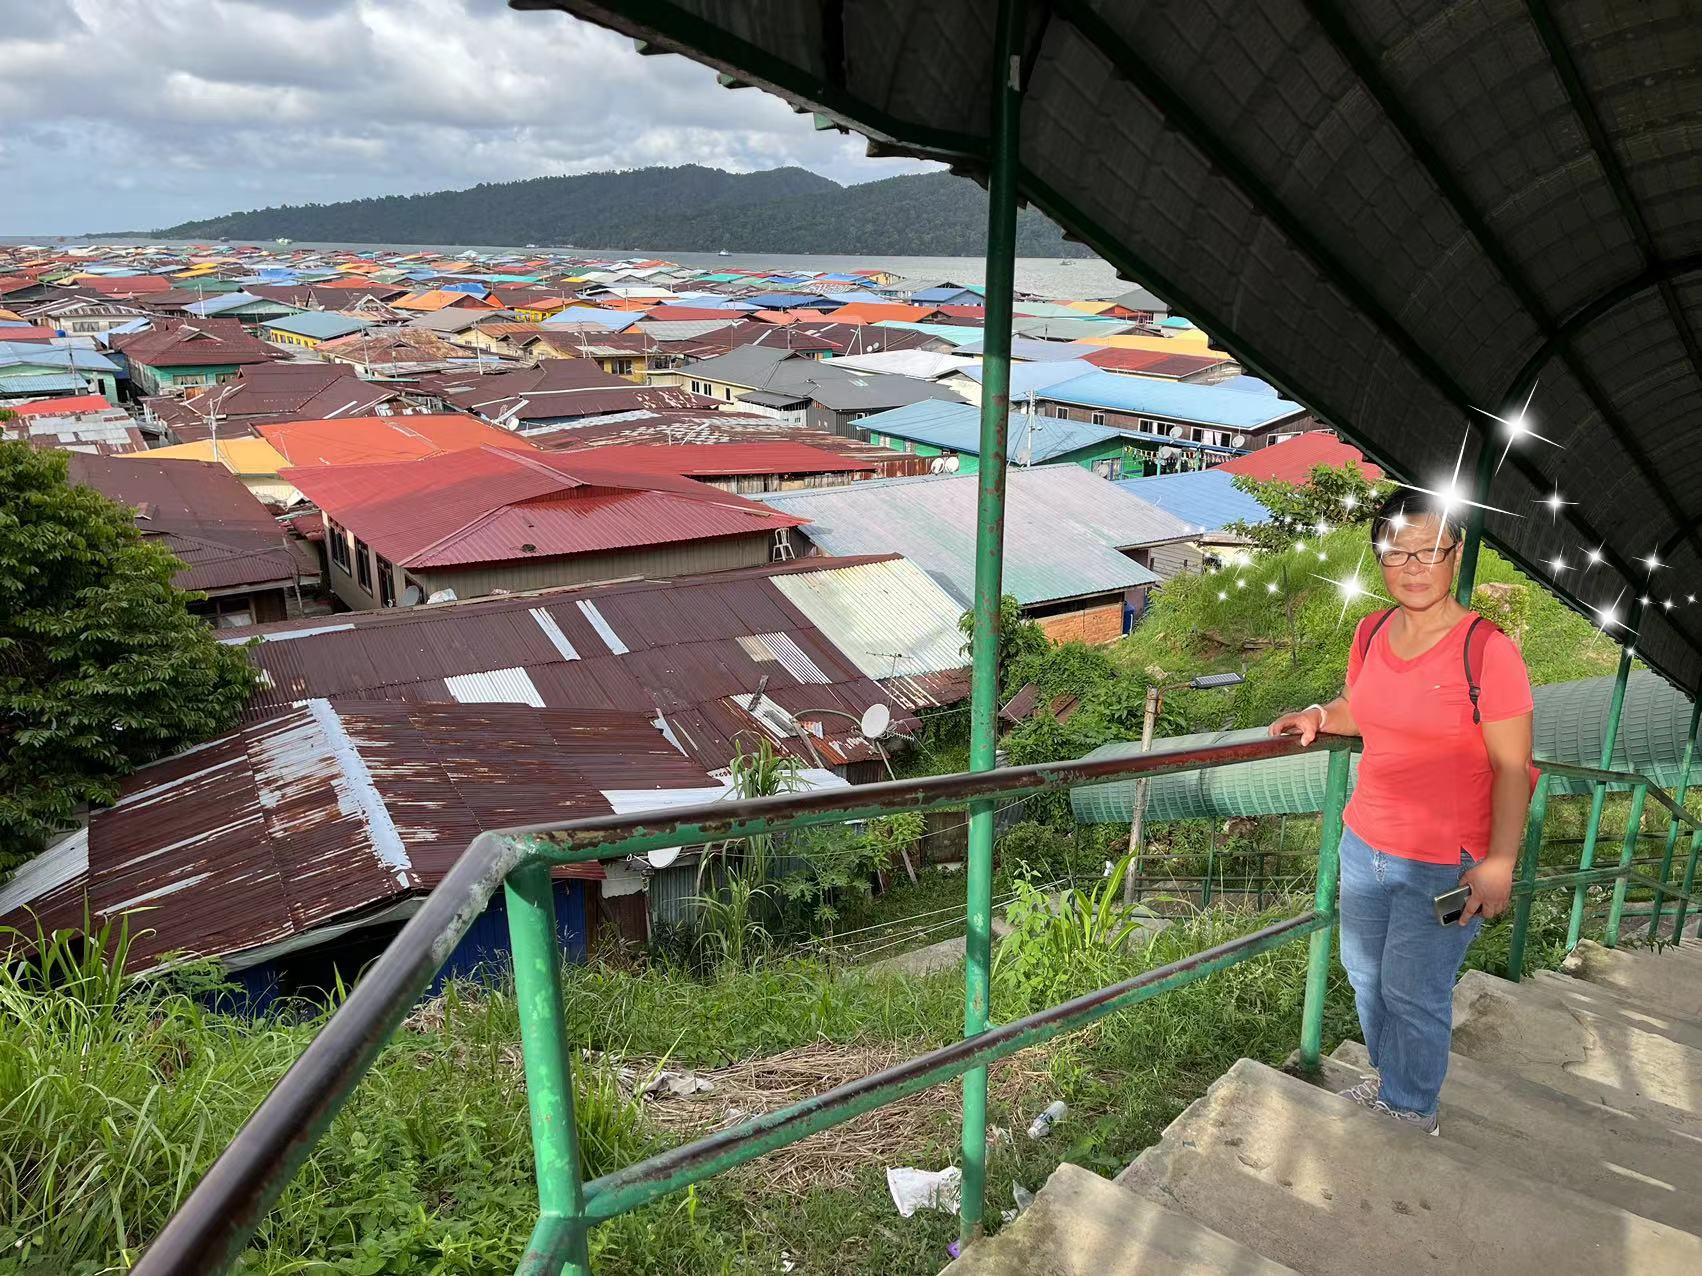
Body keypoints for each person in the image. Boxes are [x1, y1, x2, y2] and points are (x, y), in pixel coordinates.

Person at [1268, 487, 1534, 1134]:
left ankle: (1412, 1110)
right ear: (1378, 557)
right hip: (1365, 843)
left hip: (1444, 862)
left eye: (1430, 551)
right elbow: (1365, 707)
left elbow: (1512, 767)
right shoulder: (1373, 630)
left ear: (1456, 552)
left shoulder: (1487, 651)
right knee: (1365, 977)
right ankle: (1392, 1082)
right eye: (1397, 552)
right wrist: (1321, 716)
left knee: (1413, 990)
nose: (1414, 566)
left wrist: (1500, 862)